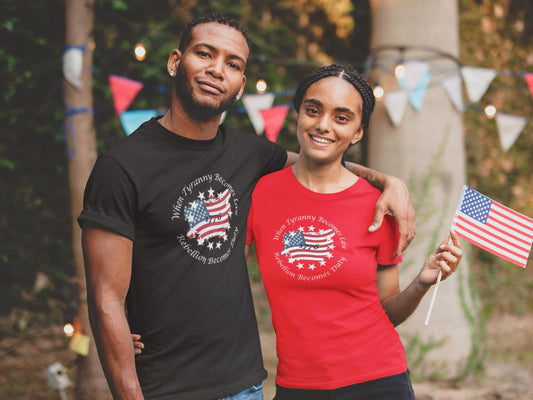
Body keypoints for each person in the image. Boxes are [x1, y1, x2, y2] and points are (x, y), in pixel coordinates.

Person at [79, 14, 415, 400]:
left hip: (244, 384)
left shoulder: (250, 153)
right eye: (205, 54)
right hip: (163, 386)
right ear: (175, 62)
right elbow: (106, 299)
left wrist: (390, 182)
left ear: (240, 84)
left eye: (233, 64)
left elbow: (323, 160)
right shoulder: (121, 168)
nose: (217, 70)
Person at [241, 65, 462, 400]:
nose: (324, 125)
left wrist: (422, 282)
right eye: (313, 110)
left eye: (341, 117)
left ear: (358, 131)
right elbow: (221, 277)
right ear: (297, 114)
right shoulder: (259, 194)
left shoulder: (379, 204)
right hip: (297, 385)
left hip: (379, 382)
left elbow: (387, 310)